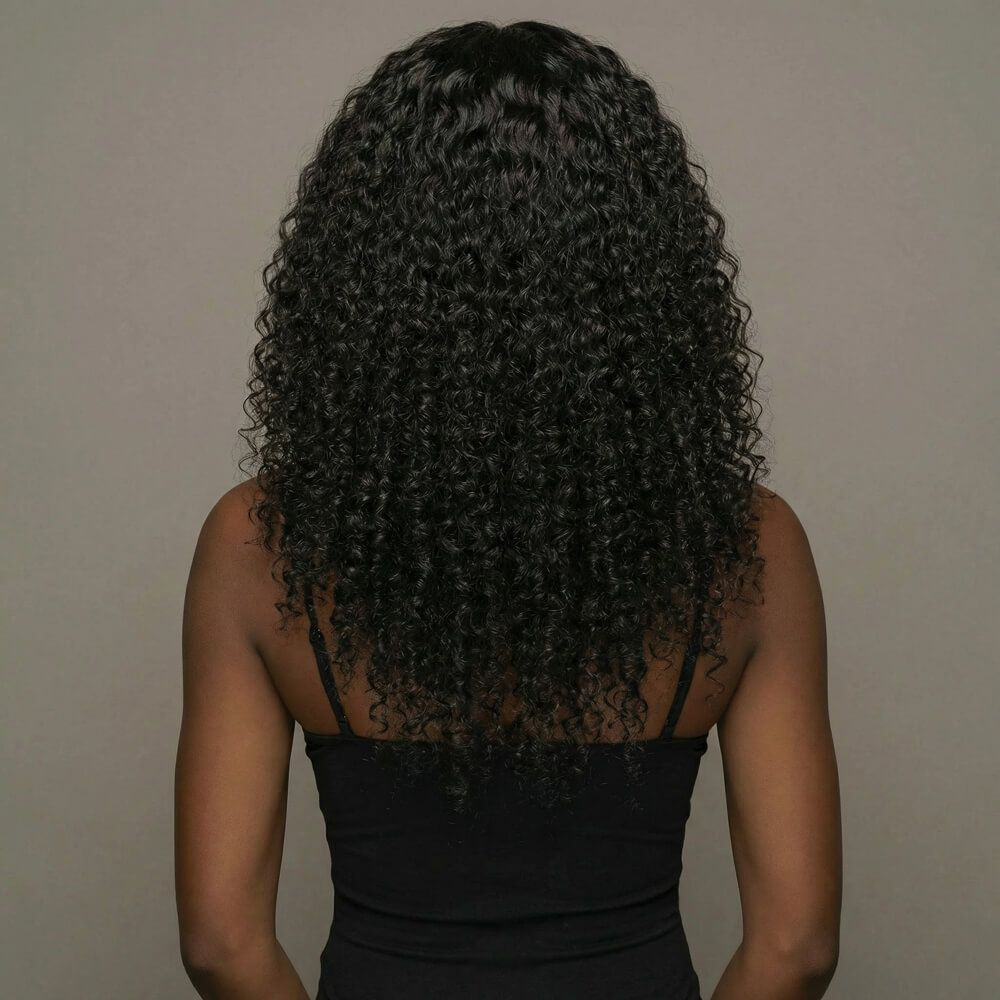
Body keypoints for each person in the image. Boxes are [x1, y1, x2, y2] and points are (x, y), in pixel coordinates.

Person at [174, 19, 841, 1000]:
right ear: (642, 274)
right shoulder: (748, 548)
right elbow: (796, 945)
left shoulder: (259, 544)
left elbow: (221, 945)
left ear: (363, 273)